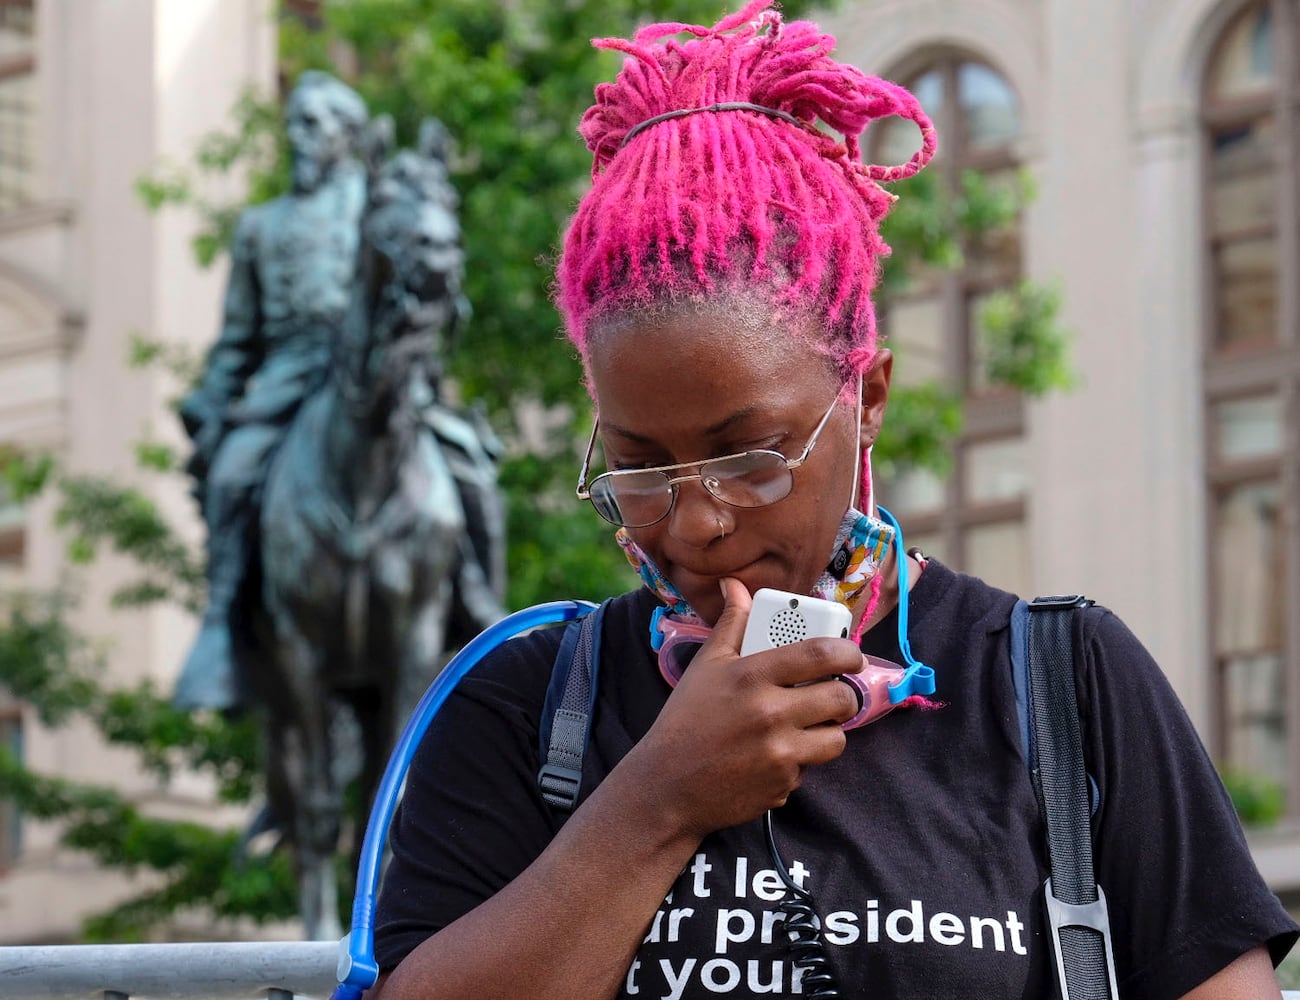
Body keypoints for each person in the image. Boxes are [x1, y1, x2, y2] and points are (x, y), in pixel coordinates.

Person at [366, 4, 1299, 998]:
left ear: (869, 399)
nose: (696, 524)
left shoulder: (1060, 684)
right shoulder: (524, 705)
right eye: (640, 471)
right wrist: (655, 802)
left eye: (751, 459)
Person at [176, 70, 370, 711]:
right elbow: (238, 339)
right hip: (285, 378)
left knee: (465, 470)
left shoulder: (377, 206)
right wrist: (210, 397)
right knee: (232, 475)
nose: (299, 137)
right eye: (294, 124)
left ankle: (474, 598)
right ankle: (223, 618)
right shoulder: (260, 226)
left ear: (346, 136)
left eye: (314, 125)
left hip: (367, 381)